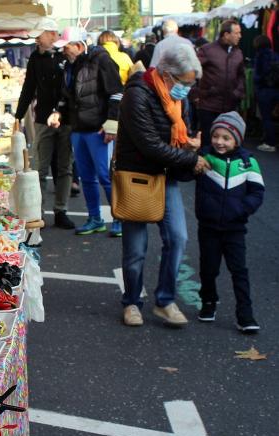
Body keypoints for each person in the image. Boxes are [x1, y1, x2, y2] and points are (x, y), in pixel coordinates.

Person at [116, 44, 208, 328]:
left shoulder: (179, 100)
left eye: (191, 84)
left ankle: (165, 300)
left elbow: (179, 133)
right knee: (136, 249)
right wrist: (190, 158)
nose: (188, 90)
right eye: (185, 83)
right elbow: (149, 145)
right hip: (137, 178)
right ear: (167, 76)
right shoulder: (137, 95)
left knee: (178, 238)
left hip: (166, 175)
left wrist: (189, 142)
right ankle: (131, 302)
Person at [48, 27, 124, 237]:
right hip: (78, 129)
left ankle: (119, 218)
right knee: (88, 178)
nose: (64, 51)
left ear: (80, 46)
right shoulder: (70, 66)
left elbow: (117, 93)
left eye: (67, 47)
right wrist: (58, 113)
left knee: (104, 176)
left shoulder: (102, 60)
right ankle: (95, 218)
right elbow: (66, 96)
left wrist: (111, 124)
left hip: (98, 130)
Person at [195, 112, 264, 333]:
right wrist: (191, 154)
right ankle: (208, 302)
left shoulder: (248, 162)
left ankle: (245, 314)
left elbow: (257, 192)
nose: (219, 142)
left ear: (237, 139)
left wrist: (241, 209)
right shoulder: (204, 156)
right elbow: (185, 174)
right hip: (208, 227)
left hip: (235, 228)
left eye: (226, 137)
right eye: (216, 136)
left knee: (239, 271)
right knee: (208, 269)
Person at [15, 20, 75, 229]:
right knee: (40, 168)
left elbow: (72, 86)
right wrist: (18, 115)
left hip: (66, 119)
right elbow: (29, 87)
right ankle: (37, 211)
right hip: (42, 119)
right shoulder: (35, 57)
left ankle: (61, 210)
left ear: (51, 34)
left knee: (64, 167)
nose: (36, 38)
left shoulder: (65, 55)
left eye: (39, 34)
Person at [196, 20, 245, 148]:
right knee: (207, 141)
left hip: (229, 106)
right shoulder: (207, 50)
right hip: (209, 105)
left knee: (226, 143)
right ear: (226, 34)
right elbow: (192, 71)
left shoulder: (238, 53)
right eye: (237, 33)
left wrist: (238, 92)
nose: (240, 36)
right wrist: (198, 94)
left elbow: (241, 76)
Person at [252, 35, 279, 152]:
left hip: (264, 91)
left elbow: (258, 76)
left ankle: (270, 142)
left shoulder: (260, 56)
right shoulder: (275, 55)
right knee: (274, 117)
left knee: (266, 117)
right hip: (276, 90)